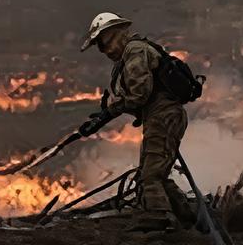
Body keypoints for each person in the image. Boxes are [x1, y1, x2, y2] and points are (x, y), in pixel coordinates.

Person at [78, 12, 194, 231]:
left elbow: (139, 94)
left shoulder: (135, 51)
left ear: (112, 35)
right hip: (161, 116)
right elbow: (139, 99)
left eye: (102, 44)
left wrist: (110, 112)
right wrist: (105, 114)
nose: (104, 50)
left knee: (150, 175)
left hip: (164, 116)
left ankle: (158, 218)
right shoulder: (130, 56)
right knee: (155, 172)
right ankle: (189, 218)